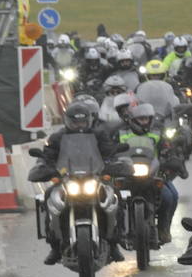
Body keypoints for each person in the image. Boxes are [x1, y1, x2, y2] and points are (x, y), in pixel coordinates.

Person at [34, 102, 124, 264]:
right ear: (68, 121)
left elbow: (109, 152)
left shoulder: (99, 135)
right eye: (75, 122)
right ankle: (54, 245)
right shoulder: (58, 137)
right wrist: (44, 166)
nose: (79, 125)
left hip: (94, 178)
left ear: (89, 120)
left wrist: (113, 162)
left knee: (115, 195)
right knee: (49, 196)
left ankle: (114, 242)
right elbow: (48, 156)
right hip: (67, 179)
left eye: (82, 122)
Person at [121, 103, 186, 244]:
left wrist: (170, 156)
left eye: (146, 119)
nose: (144, 121)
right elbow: (114, 150)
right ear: (133, 119)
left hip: (153, 172)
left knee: (171, 196)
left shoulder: (157, 132)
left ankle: (164, 229)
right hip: (128, 175)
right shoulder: (123, 133)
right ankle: (116, 234)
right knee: (114, 199)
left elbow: (167, 148)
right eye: (141, 119)